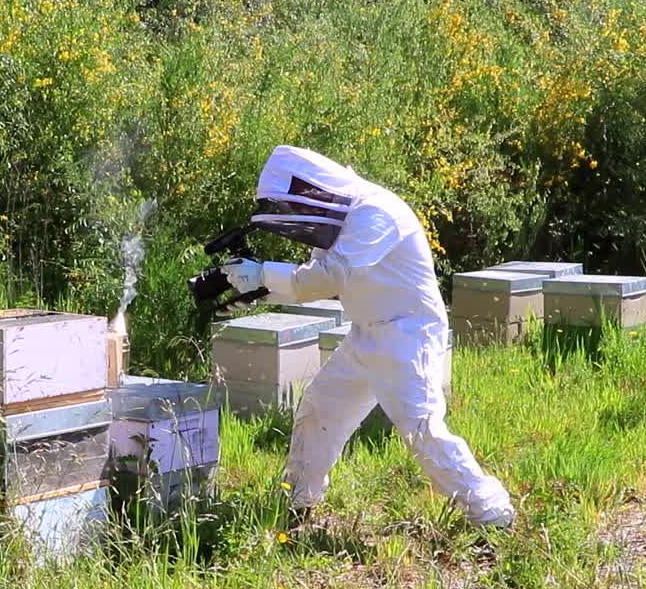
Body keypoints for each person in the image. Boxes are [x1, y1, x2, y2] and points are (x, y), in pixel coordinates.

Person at [220, 145, 516, 528]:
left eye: (293, 206)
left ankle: (492, 514)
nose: (293, 217)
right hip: (365, 335)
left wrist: (262, 275)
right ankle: (298, 500)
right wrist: (252, 292)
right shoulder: (341, 223)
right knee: (319, 409)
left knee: (422, 430)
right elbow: (311, 282)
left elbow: (333, 275)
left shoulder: (376, 212)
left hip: (407, 335)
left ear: (311, 189)